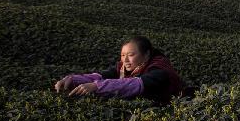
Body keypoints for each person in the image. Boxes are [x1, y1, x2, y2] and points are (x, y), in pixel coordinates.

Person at [54, 36, 184, 103]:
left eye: (131, 55)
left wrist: (97, 87)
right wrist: (73, 79)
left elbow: (139, 83)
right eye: (123, 55)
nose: (125, 60)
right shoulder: (124, 68)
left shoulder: (160, 70)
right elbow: (102, 76)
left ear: (147, 54)